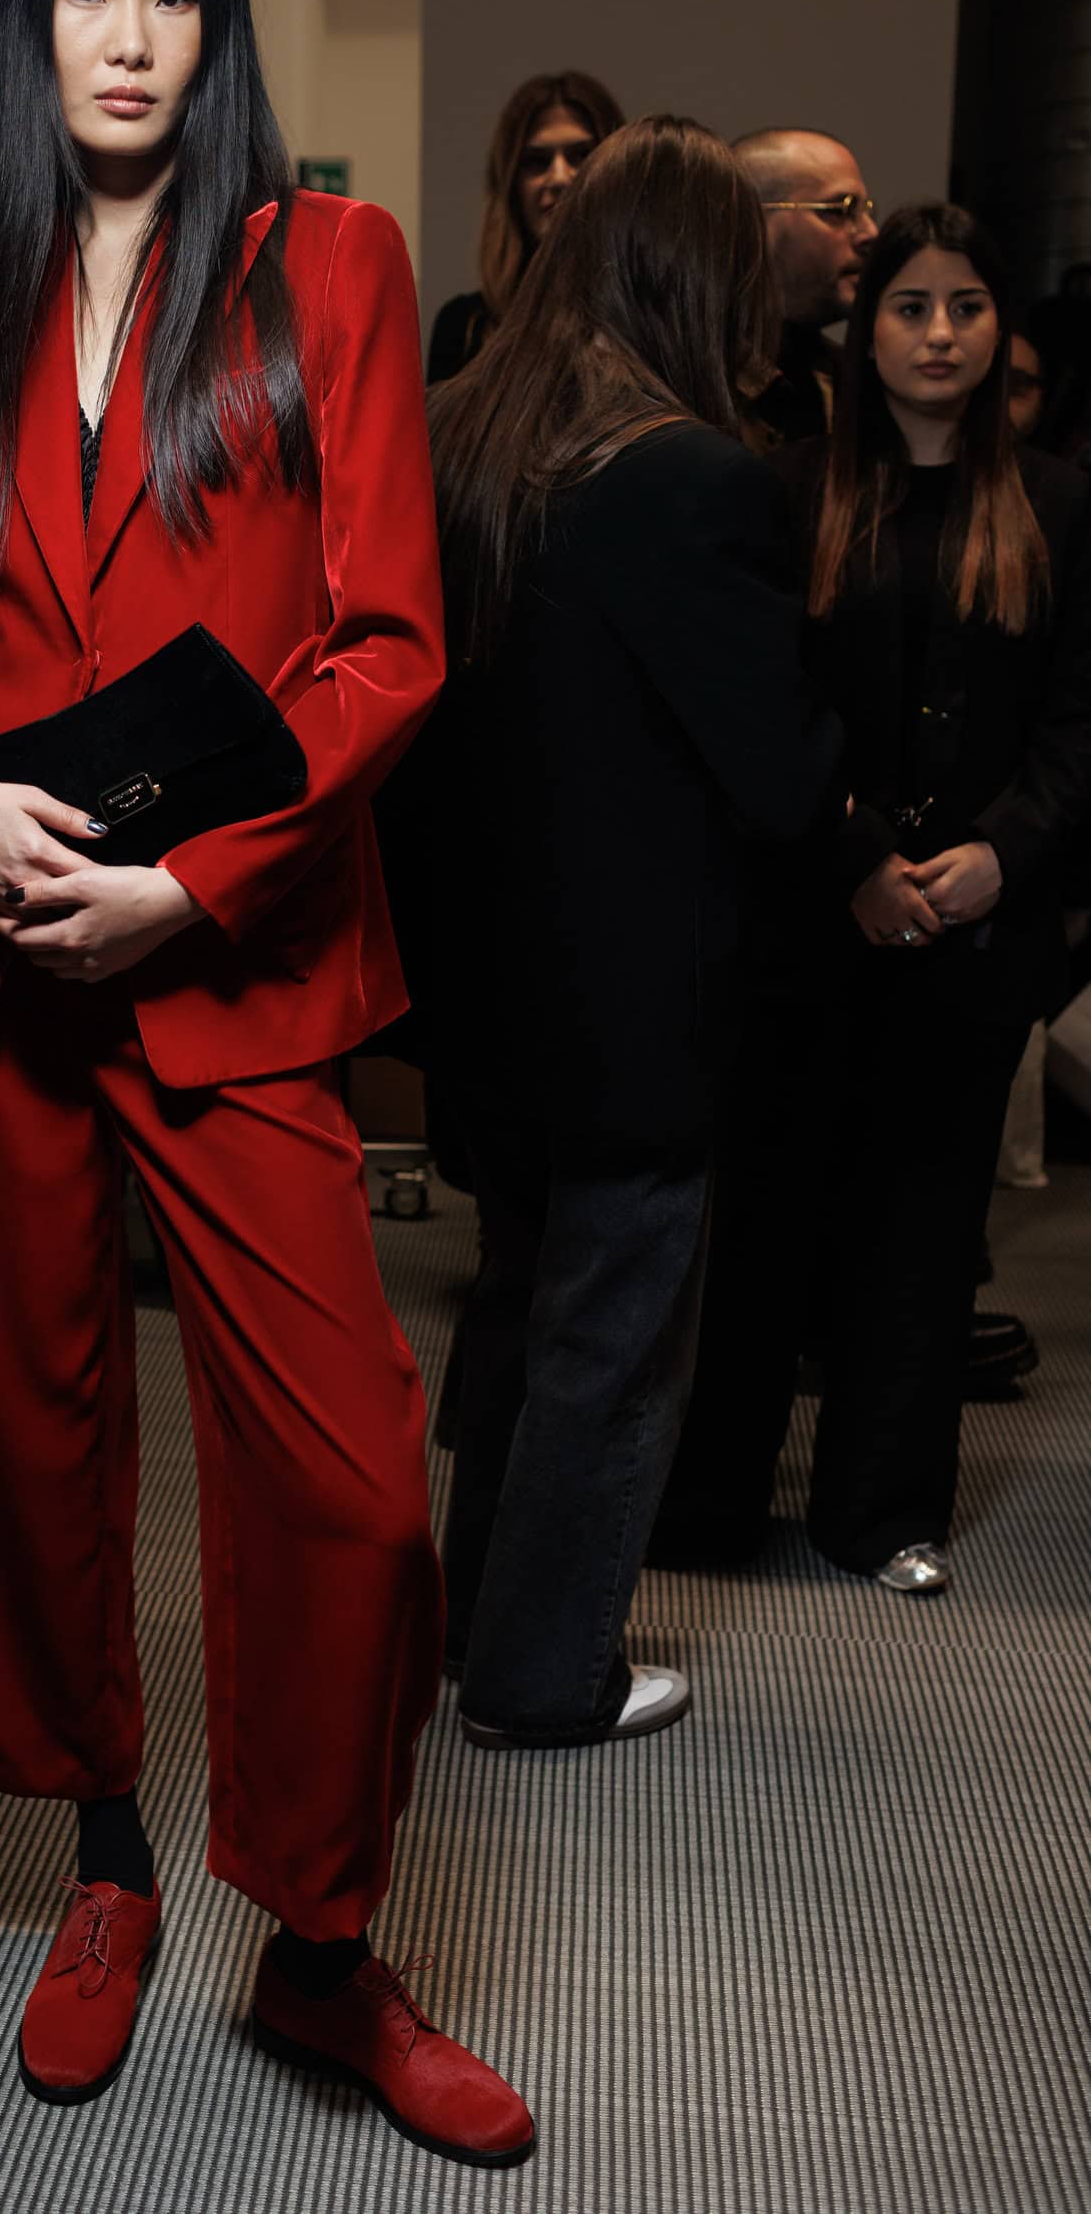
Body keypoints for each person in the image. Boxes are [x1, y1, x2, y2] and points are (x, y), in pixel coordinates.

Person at [0, 0, 532, 2169]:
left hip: (225, 962)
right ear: (25, 21)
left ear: (220, 22)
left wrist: (194, 886)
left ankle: (322, 1947)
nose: (126, 39)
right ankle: (109, 1863)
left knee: (353, 1487)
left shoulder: (323, 261)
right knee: (17, 1465)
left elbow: (384, 646)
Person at [389, 118, 841, 1750]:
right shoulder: (691, 477)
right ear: (695, 275)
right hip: (640, 997)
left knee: (522, 1307)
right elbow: (780, 778)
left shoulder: (456, 437)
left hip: (481, 985)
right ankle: (543, 1678)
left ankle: (473, 1632)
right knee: (614, 1348)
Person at [662, 205, 1091, 1592]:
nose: (939, 334)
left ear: (999, 329)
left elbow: (1080, 723)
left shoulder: (1060, 503)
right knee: (765, 1217)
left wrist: (1001, 854)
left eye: (966, 307)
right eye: (911, 306)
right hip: (810, 909)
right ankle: (709, 1510)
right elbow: (754, 705)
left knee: (921, 1228)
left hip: (975, 927)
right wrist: (849, 857)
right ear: (866, 328)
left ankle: (881, 1515)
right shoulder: (786, 489)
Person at [427, 68, 624, 382]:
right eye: (537, 161)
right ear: (510, 185)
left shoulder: (648, 319)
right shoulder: (463, 327)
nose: (559, 177)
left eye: (581, 155)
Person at [733, 125, 878, 449]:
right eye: (842, 210)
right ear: (753, 220)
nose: (870, 233)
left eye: (866, 212)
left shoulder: (856, 383)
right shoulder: (694, 382)